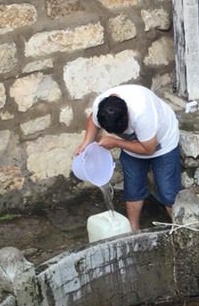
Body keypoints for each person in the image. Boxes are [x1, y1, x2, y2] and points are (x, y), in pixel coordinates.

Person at [75, 84, 181, 232]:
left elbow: (149, 149)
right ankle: (133, 230)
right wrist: (86, 143)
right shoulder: (103, 106)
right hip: (133, 146)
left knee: (168, 191)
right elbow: (93, 119)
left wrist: (116, 142)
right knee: (133, 188)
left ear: (127, 116)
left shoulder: (142, 112)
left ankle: (181, 230)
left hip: (163, 144)